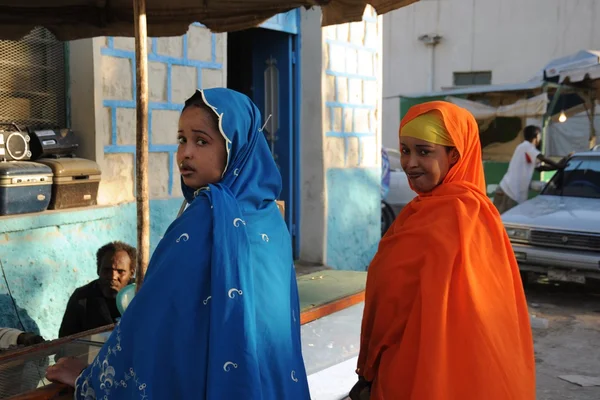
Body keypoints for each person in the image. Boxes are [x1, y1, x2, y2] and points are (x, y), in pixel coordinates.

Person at [47, 88, 310, 400]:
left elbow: (151, 316)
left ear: (236, 147)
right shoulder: (270, 218)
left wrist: (91, 378)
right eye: (181, 139)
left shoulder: (206, 219)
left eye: (201, 141)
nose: (186, 152)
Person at [350, 102, 535, 400]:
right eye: (405, 150)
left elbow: (390, 304)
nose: (410, 162)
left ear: (455, 155)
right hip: (472, 376)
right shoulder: (476, 213)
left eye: (424, 151)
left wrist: (368, 369)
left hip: (418, 371)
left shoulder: (450, 217)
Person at [58, 241, 136, 338]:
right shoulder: (81, 298)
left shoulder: (140, 294)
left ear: (131, 273)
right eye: (107, 270)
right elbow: (66, 341)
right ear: (98, 269)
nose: (113, 276)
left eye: (120, 271)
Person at [493, 125, 567, 214]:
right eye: (539, 135)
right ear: (536, 136)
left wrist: (556, 167)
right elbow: (542, 158)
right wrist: (559, 165)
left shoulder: (526, 150)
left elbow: (540, 168)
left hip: (508, 190)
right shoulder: (527, 146)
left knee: (502, 219)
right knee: (504, 220)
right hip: (509, 191)